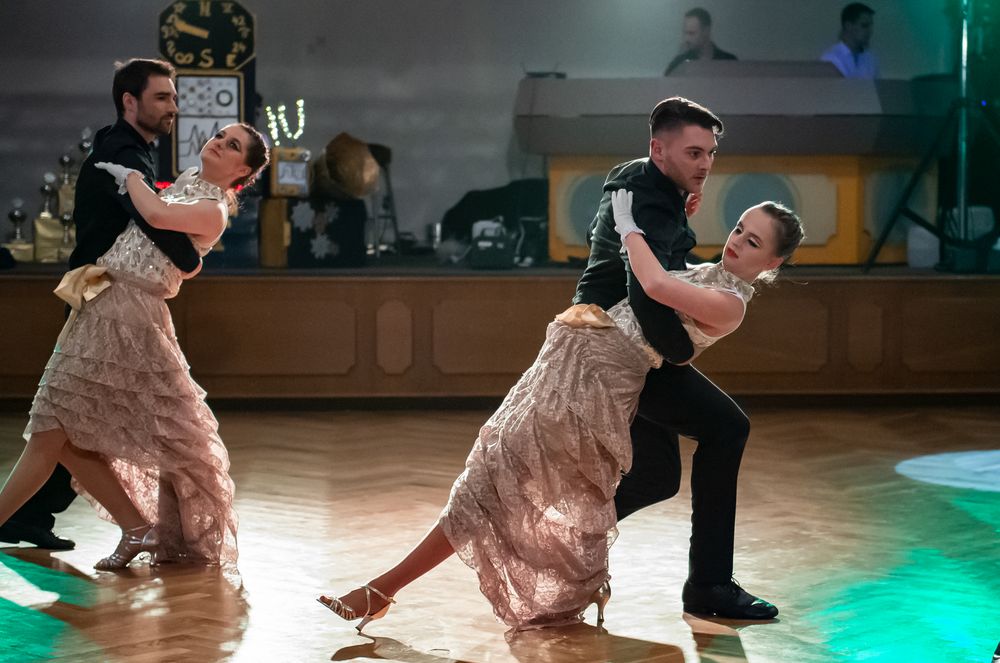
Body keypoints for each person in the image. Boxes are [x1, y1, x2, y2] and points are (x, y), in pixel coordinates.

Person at [317, 189, 803, 631]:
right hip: (576, 364)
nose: (737, 241)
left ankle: (382, 590)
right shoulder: (708, 272)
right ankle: (386, 589)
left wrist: (627, 219)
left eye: (754, 242)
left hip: (595, 386)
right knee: (498, 479)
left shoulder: (729, 303)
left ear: (773, 262)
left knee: (495, 482)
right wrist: (668, 222)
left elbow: (652, 284)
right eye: (739, 228)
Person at [0, 121, 269, 570]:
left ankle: (133, 526)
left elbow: (158, 217)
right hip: (103, 301)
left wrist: (130, 178)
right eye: (220, 136)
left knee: (52, 428)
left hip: (130, 315)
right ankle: (135, 526)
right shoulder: (187, 183)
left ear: (242, 172)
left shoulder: (213, 211)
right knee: (56, 429)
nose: (219, 143)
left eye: (233, 145)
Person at [573, 96, 783, 620]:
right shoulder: (650, 202)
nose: (706, 165)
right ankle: (709, 587)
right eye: (694, 153)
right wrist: (681, 354)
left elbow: (660, 270)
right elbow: (650, 293)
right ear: (658, 149)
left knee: (659, 476)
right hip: (622, 346)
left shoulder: (636, 180)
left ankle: (574, 533)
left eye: (710, 153)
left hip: (607, 338)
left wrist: (672, 203)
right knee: (728, 428)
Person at [0, 58, 200, 552]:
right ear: (129, 101)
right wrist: (193, 256)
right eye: (161, 97)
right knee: (66, 423)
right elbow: (152, 222)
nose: (172, 106)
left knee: (69, 424)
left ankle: (33, 516)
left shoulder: (130, 148)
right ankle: (45, 517)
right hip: (101, 297)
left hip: (104, 294)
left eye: (173, 97)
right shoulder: (122, 151)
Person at [664, 8, 737, 76]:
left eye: (691, 33)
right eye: (685, 33)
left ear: (706, 31)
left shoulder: (729, 62)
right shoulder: (678, 64)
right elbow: (665, 87)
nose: (686, 38)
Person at [821, 3, 879, 79]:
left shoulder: (871, 59)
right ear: (848, 26)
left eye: (871, 26)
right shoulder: (830, 59)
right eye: (864, 25)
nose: (870, 31)